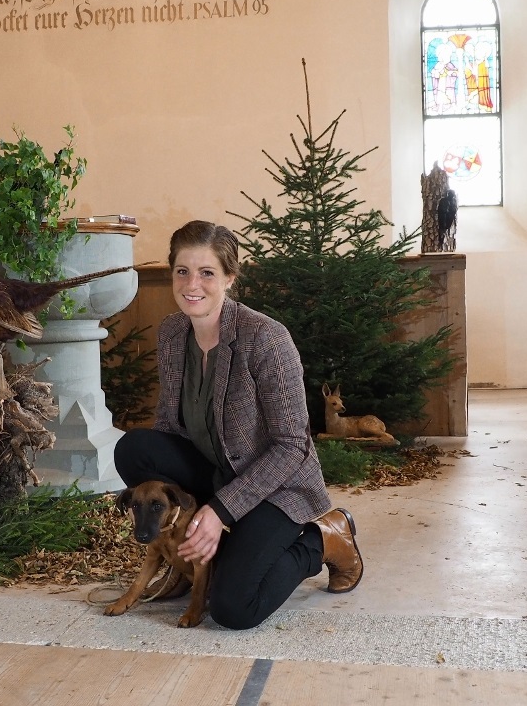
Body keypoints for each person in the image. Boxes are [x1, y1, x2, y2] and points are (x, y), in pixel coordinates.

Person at [113, 220, 363, 630]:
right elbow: (169, 426)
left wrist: (219, 511)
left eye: (207, 273)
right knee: (134, 449)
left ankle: (324, 540)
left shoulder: (266, 338)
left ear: (230, 277)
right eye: (182, 271)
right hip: (214, 473)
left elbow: (292, 446)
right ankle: (186, 555)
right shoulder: (173, 333)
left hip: (277, 487)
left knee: (232, 608)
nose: (192, 284)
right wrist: (192, 515)